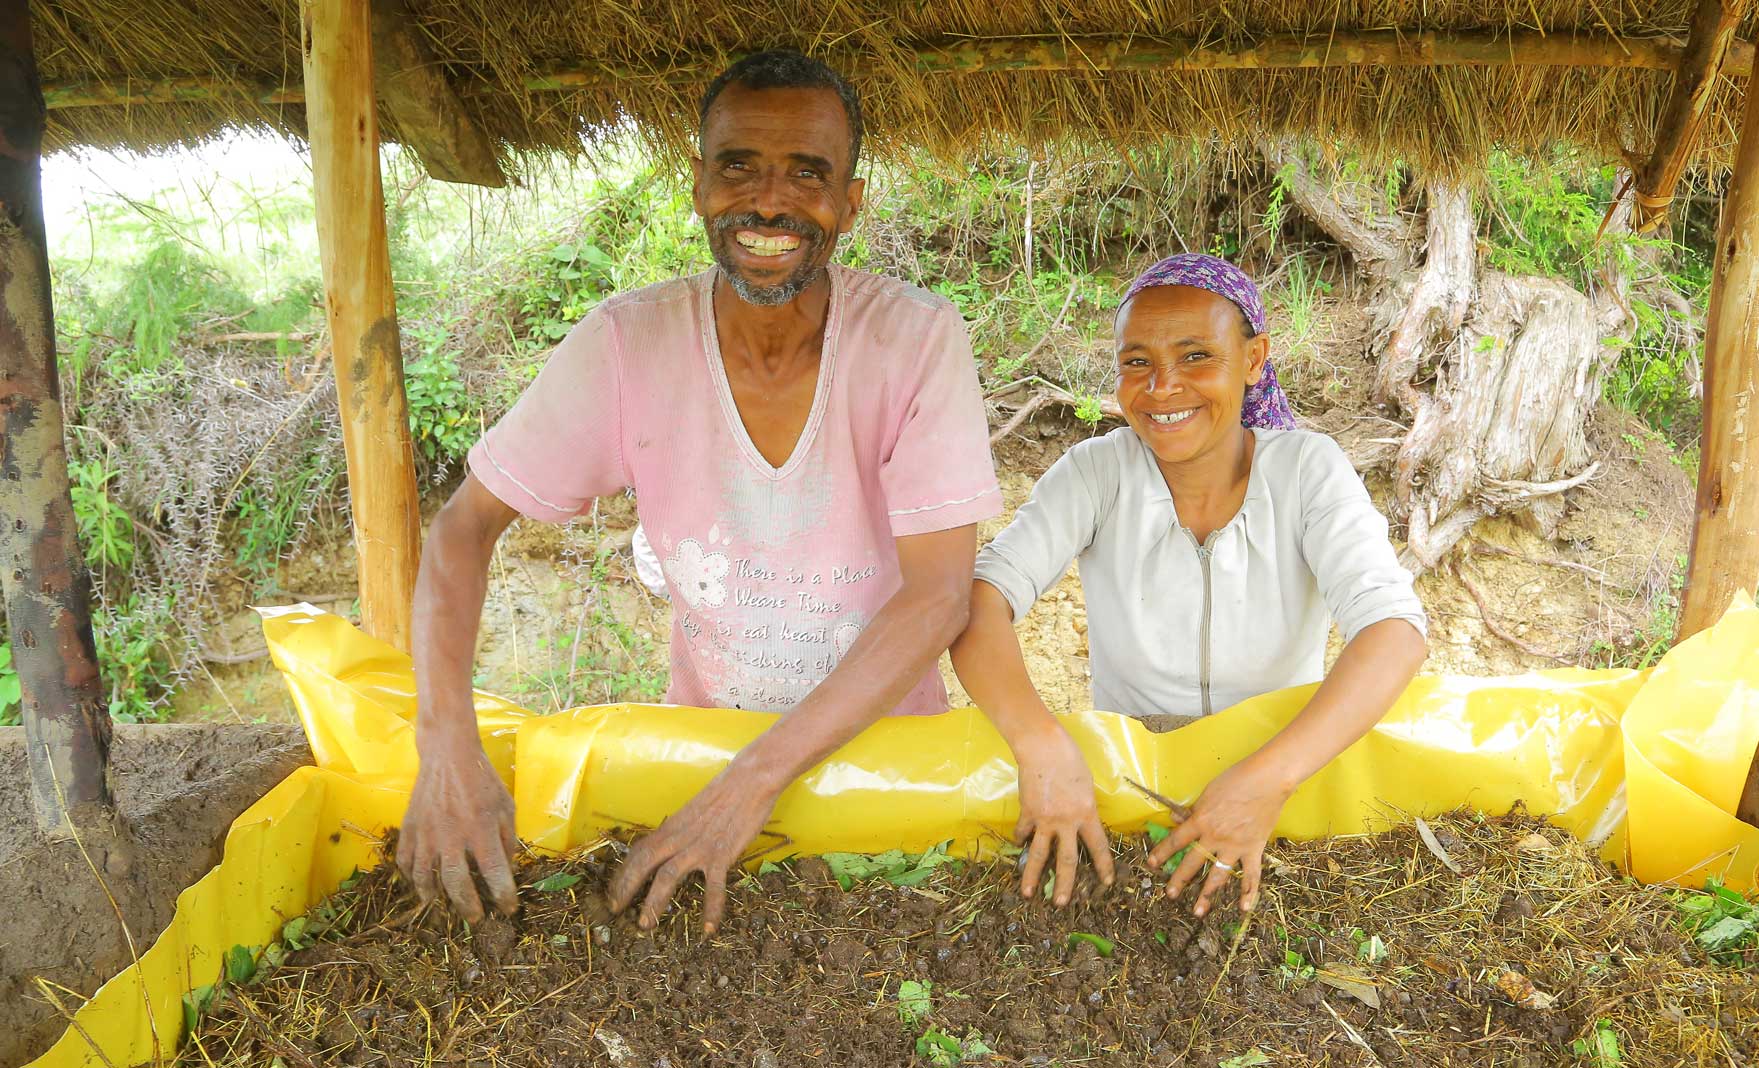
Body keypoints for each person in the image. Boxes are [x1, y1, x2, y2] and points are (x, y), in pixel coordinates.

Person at [397, 51, 1002, 930]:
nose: (768, 201)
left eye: (808, 172)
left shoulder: (914, 342)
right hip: (698, 763)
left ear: (851, 203)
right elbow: (462, 528)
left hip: (889, 777)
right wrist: (445, 746)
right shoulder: (626, 346)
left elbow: (940, 594)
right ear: (696, 184)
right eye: (738, 166)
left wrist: (751, 786)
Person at [950, 253, 1427, 919]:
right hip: (1133, 792)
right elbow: (978, 602)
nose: (1163, 386)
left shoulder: (1306, 473)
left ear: (1253, 359)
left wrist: (1266, 781)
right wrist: (1040, 745)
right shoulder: (1097, 473)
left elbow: (1393, 633)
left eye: (1197, 355)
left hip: (1285, 781)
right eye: (1137, 361)